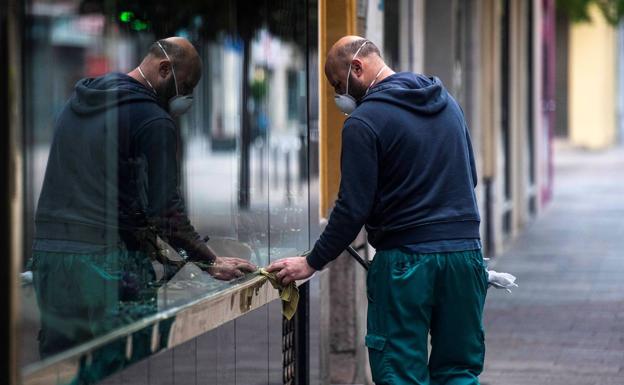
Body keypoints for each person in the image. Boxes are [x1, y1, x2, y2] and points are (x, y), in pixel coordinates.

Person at [267, 36, 487, 385]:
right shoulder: (447, 103)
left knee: (400, 373)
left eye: (339, 85)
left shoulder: (363, 122)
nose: (341, 96)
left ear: (357, 67)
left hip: (405, 265)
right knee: (459, 370)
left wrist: (311, 262)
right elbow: (470, 177)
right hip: (465, 256)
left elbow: (352, 208)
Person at [32, 37, 256, 361]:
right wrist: (210, 261)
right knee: (119, 364)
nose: (187, 97)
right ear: (165, 69)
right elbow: (165, 211)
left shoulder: (78, 102)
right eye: (187, 86)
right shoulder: (153, 120)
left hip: (51, 257)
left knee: (60, 367)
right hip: (106, 262)